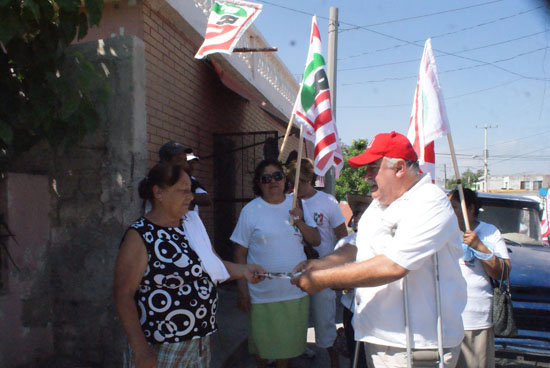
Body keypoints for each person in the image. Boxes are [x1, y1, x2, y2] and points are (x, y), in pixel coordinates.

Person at [291, 131, 467, 368]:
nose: (366, 176)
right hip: (377, 336)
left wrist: (321, 278)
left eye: (373, 168)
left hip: (417, 346)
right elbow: (358, 244)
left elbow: (394, 265)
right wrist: (321, 264)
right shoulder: (379, 203)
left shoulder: (429, 202)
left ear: (400, 168)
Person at [114, 163, 266, 368]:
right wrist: (140, 350)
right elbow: (123, 294)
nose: (190, 197)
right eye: (182, 191)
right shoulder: (140, 235)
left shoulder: (190, 225)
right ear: (158, 192)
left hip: (200, 341)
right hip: (161, 346)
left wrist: (245, 270)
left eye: (190, 191)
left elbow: (214, 267)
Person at [230, 159, 321, 368]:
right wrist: (242, 291)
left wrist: (299, 220)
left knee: (287, 351)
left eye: (277, 176)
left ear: (285, 179)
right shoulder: (251, 210)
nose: (273, 182)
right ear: (259, 183)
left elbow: (315, 240)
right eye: (266, 178)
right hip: (262, 295)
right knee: (261, 349)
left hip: (294, 292)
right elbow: (239, 252)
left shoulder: (297, 205)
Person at [286, 158, 347, 368]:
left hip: (322, 269)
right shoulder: (286, 201)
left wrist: (339, 267)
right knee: (294, 320)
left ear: (310, 179)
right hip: (294, 269)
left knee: (325, 322)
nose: (297, 186)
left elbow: (342, 235)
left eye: (302, 181)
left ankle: (334, 362)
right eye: (293, 181)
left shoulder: (328, 201)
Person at [449, 188, 511, 368]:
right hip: (444, 319)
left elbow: (503, 272)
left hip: (474, 321)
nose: (449, 212)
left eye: (454, 207)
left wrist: (479, 247)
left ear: (470, 209)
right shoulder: (443, 232)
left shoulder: (489, 232)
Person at [158, 141, 211, 211]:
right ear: (166, 161)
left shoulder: (190, 180)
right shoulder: (156, 179)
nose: (187, 165)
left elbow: (206, 199)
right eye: (180, 159)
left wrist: (186, 195)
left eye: (185, 160)